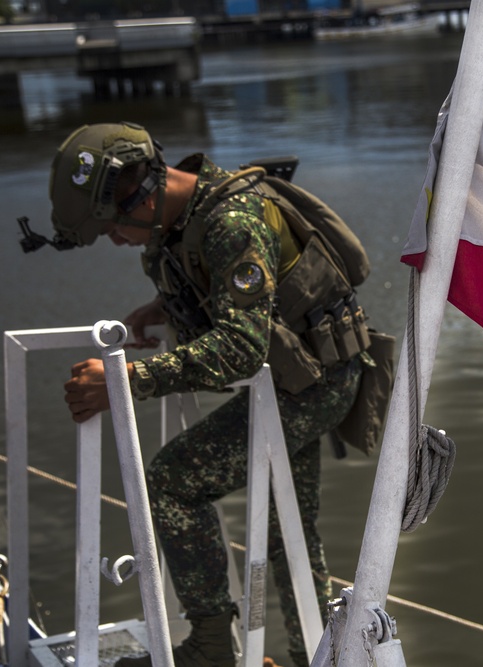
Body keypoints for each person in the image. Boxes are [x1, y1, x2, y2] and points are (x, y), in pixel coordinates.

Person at [48, 122, 366, 667]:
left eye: (109, 228)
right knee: (288, 527)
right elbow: (221, 293)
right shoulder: (184, 217)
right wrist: (158, 309)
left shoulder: (231, 222)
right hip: (299, 376)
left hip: (314, 383)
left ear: (136, 195)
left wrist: (125, 382)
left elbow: (241, 349)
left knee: (170, 484)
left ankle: (212, 648)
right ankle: (315, 655)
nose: (114, 240)